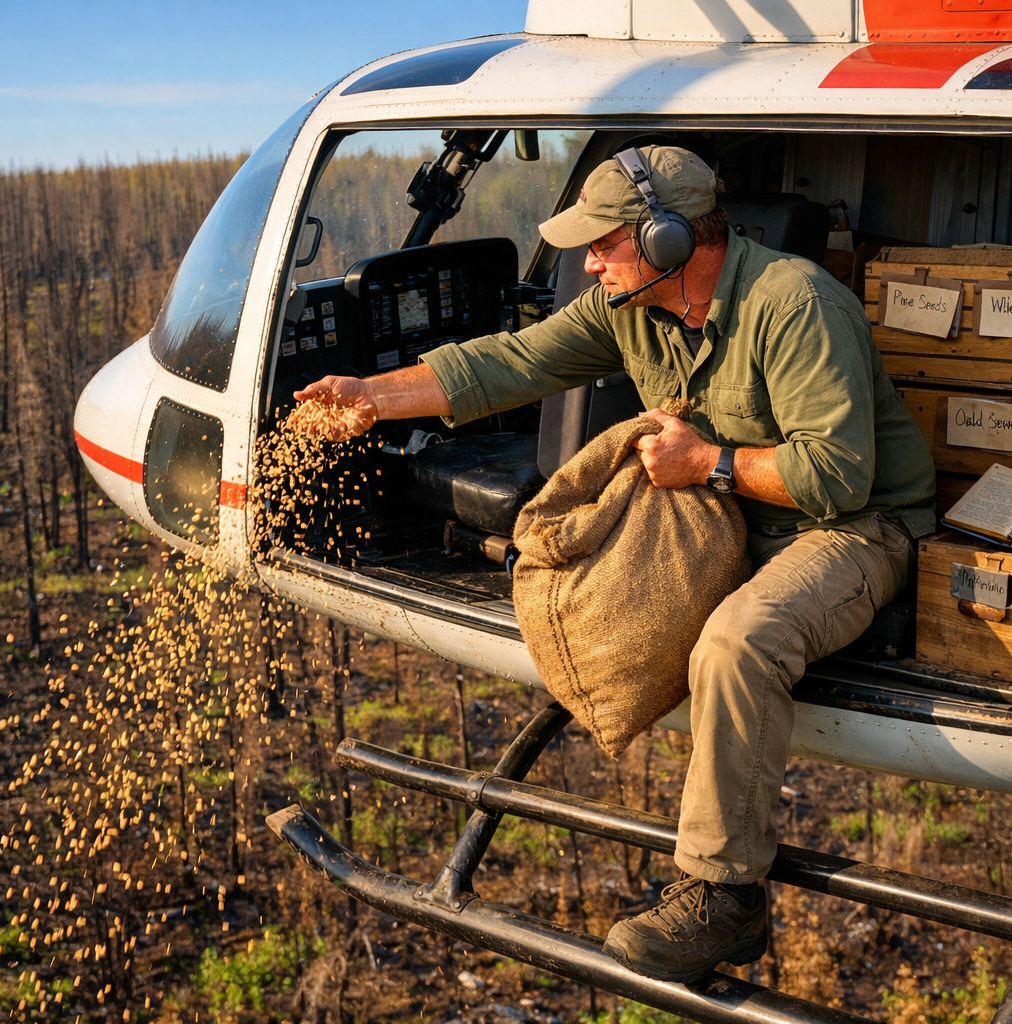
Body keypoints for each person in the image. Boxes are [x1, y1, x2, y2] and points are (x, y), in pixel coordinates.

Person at [293, 145, 937, 983]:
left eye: (603, 242)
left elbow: (838, 476)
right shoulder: (627, 304)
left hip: (853, 527)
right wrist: (372, 399)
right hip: (732, 515)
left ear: (669, 240)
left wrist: (708, 463)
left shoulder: (795, 304)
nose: (587, 262)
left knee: (736, 642)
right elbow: (510, 362)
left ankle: (724, 897)